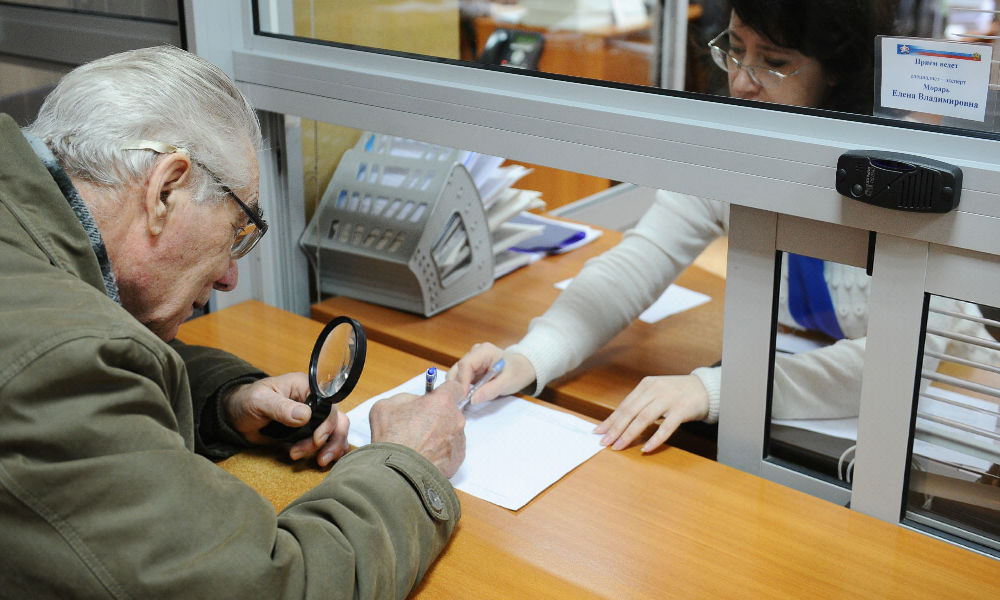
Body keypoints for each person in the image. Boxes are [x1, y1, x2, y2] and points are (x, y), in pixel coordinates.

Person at [0, 46, 467, 598]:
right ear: (166, 189)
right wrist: (408, 465)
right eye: (238, 231)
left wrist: (224, 402)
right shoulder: (59, 361)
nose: (229, 279)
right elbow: (273, 588)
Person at [450, 0, 991, 453]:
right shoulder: (741, 146)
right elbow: (635, 264)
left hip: (956, 400)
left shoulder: (895, 174)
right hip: (807, 391)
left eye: (773, 62)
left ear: (837, 70)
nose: (741, 81)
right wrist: (530, 356)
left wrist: (714, 388)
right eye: (735, 49)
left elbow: (908, 354)